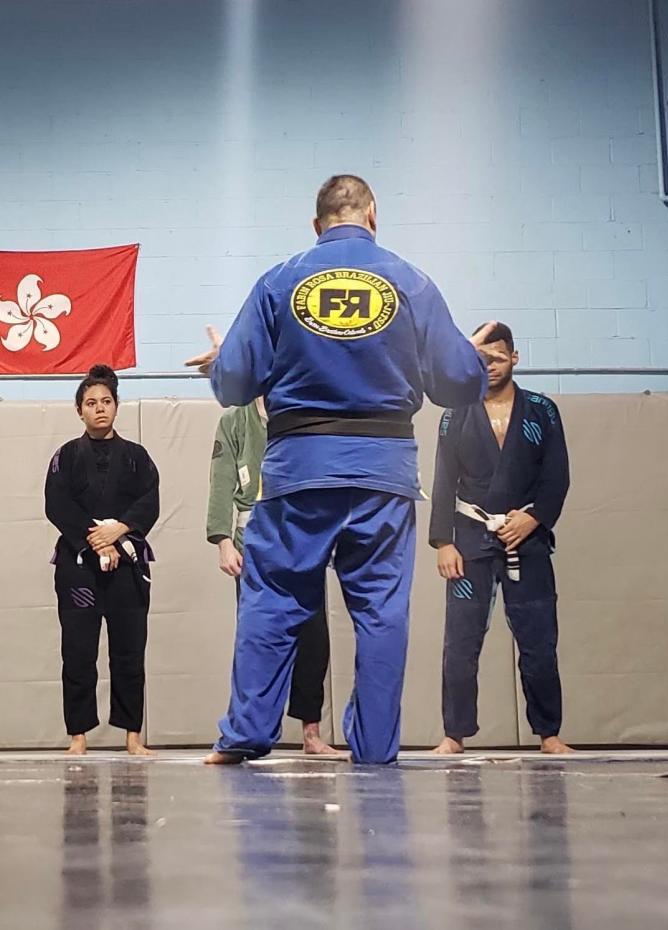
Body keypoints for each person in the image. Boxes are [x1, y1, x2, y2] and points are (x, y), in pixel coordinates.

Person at [186, 174, 497, 765]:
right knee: (381, 613)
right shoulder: (411, 281)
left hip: (299, 469)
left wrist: (222, 361)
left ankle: (246, 733)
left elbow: (234, 385)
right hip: (383, 473)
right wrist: (473, 361)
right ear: (373, 216)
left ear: (316, 224)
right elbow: (458, 384)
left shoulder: (279, 281)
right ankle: (375, 747)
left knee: (272, 602)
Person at [429, 322, 572, 755]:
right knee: (460, 642)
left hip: (526, 540)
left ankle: (549, 733)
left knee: (539, 641)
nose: (489, 365)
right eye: (481, 359)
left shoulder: (542, 411)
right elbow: (444, 481)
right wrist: (443, 542)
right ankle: (454, 734)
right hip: (470, 541)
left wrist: (535, 519)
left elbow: (556, 476)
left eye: (497, 357)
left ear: (514, 357)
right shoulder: (455, 413)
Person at [206, 396, 341, 755]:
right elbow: (221, 481)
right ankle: (248, 730)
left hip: (303, 541)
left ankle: (311, 732)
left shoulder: (304, 412)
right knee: (256, 641)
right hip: (253, 544)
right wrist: (222, 541)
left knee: (314, 638)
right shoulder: (235, 422)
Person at [45, 365, 159, 756]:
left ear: (116, 406)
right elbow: (57, 505)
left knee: (129, 651)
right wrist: (96, 540)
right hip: (78, 568)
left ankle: (132, 735)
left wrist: (120, 530)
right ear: (79, 411)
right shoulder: (65, 456)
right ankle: (78, 735)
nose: (99, 408)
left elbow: (150, 501)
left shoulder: (137, 457)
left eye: (106, 401)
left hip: (127, 566)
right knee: (78, 651)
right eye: (91, 403)